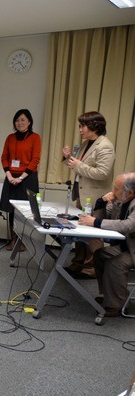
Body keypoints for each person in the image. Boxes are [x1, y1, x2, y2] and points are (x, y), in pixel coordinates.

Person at [62, 111, 116, 279]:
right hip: (81, 194)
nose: (80, 129)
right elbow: (77, 165)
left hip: (95, 198)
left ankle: (91, 268)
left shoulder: (105, 146)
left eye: (82, 126)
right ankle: (78, 262)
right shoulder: (87, 143)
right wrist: (67, 157)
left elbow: (102, 173)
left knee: (92, 234)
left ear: (94, 126)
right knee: (79, 231)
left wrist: (77, 165)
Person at [78, 172, 135, 317]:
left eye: (116, 189)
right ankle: (109, 297)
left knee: (116, 263)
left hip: (132, 248)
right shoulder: (121, 199)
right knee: (100, 255)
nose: (112, 192)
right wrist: (101, 203)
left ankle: (116, 306)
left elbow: (128, 225)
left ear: (130, 192)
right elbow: (107, 217)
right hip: (127, 246)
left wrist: (95, 222)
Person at [0, 109, 41, 252]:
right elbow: (4, 157)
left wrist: (21, 177)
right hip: (11, 178)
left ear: (29, 121)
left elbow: (35, 160)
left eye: (23, 120)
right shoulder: (10, 138)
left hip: (28, 179)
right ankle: (14, 239)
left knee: (26, 211)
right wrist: (10, 176)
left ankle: (24, 241)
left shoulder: (35, 138)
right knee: (11, 211)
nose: (20, 123)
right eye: (17, 120)